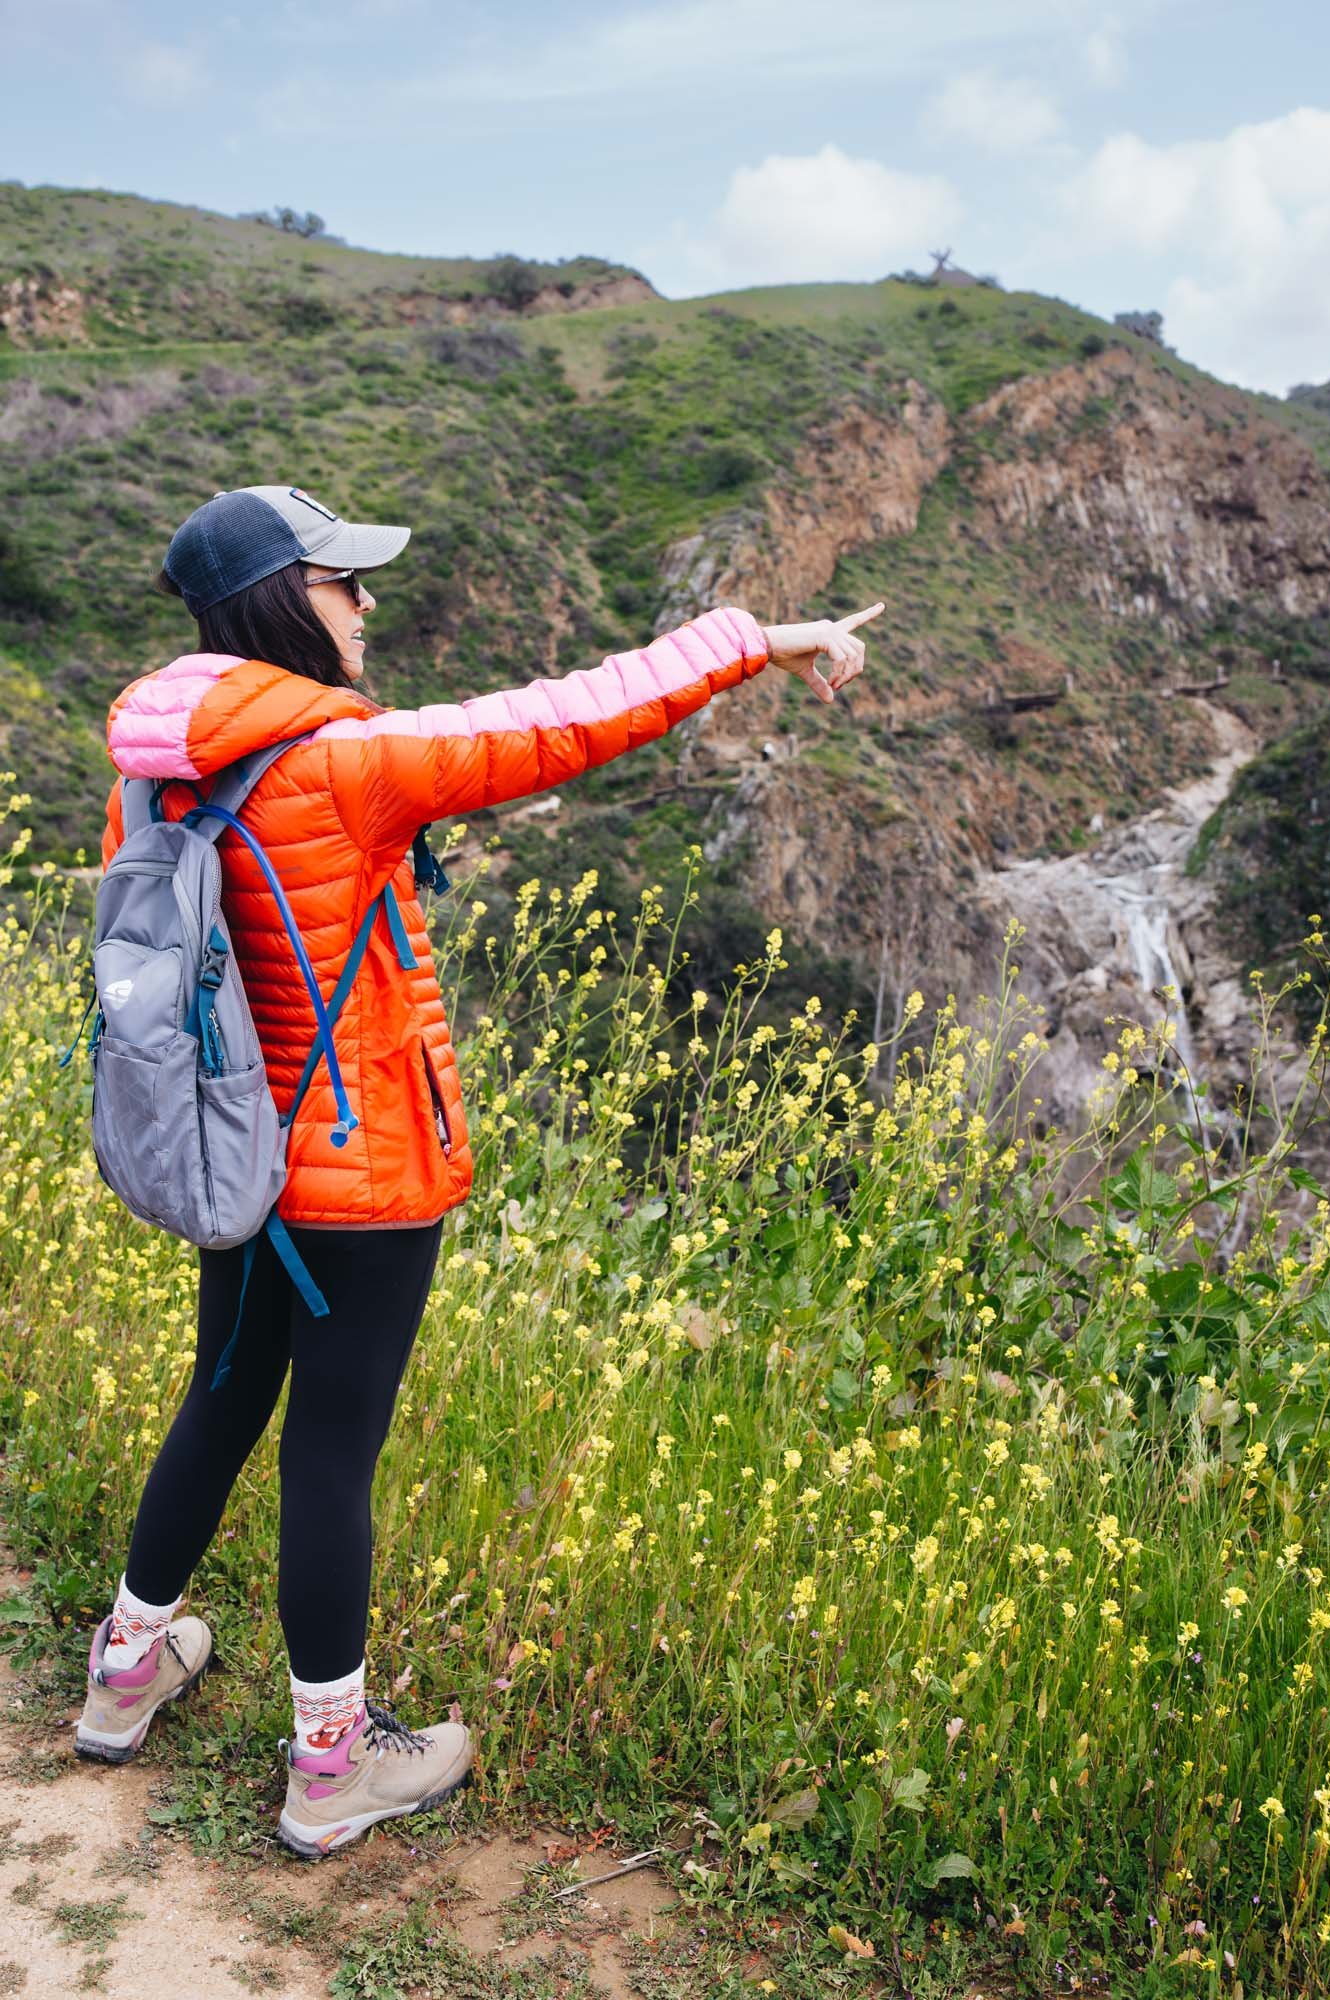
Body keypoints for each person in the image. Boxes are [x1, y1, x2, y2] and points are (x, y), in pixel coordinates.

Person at [74, 483, 883, 1857]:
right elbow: (560, 716)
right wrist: (759, 635)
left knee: (220, 1399)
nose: (365, 602)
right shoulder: (349, 761)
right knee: (331, 1460)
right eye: (342, 581)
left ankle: (127, 1671)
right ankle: (331, 1766)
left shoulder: (154, 769)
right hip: (361, 1183)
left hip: (227, 1158)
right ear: (282, 601)